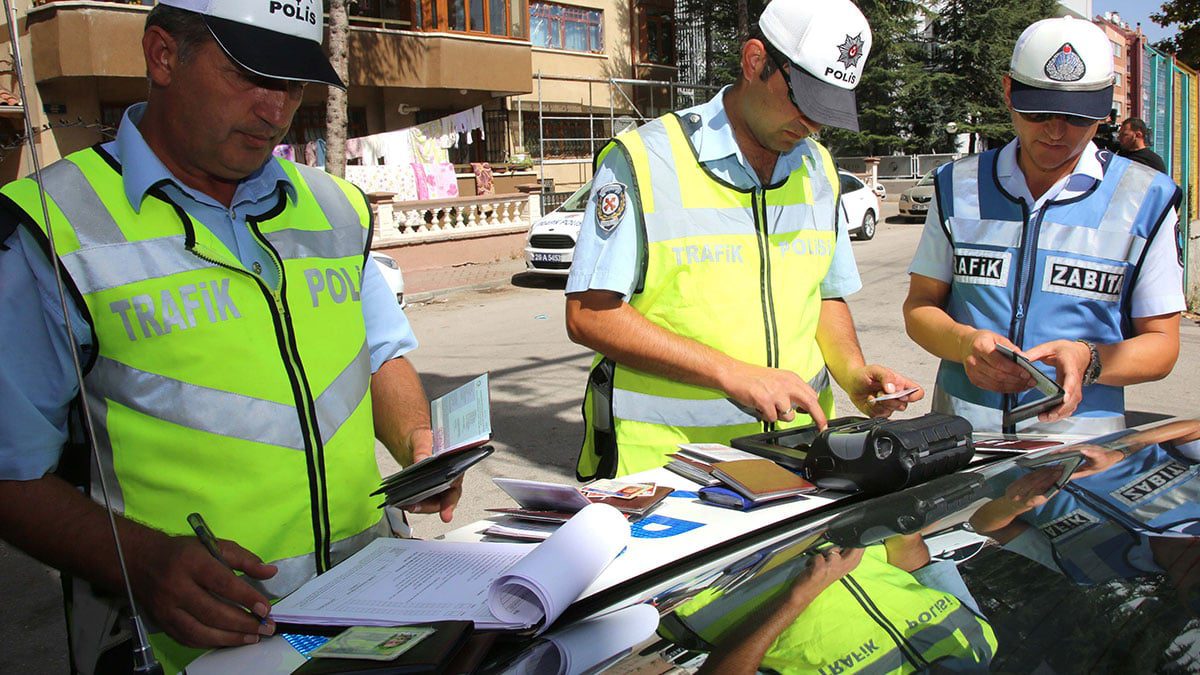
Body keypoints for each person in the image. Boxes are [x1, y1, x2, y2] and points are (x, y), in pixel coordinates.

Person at [0, 2, 459, 673]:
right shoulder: (53, 228)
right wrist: (144, 561)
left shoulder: (333, 207)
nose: (275, 109)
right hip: (195, 650)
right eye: (248, 74)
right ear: (162, 56)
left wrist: (419, 442)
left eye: (293, 84)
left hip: (374, 618)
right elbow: (11, 472)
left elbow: (380, 351)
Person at [565, 0, 922, 479]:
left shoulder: (819, 171)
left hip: (799, 459)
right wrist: (732, 372)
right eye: (803, 102)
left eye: (826, 110)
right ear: (755, 61)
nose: (812, 125)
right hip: (669, 471)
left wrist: (854, 375)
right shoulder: (644, 161)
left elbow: (823, 293)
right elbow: (590, 314)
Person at [903, 17, 1183, 435]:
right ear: (1009, 91)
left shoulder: (1147, 198)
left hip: (1080, 454)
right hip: (963, 443)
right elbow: (919, 306)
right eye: (1038, 113)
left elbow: (1163, 343)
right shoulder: (956, 186)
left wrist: (1090, 359)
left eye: (1075, 118)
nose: (1055, 132)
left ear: (1104, 108)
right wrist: (965, 345)